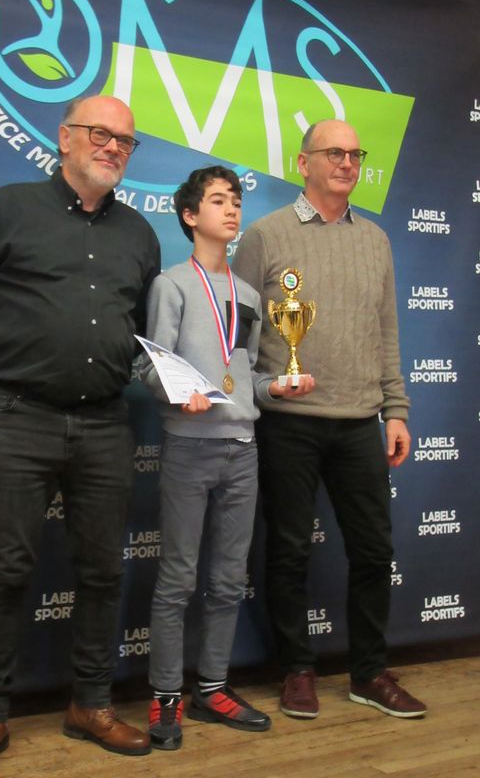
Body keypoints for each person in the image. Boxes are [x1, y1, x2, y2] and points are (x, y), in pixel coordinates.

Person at [0, 95, 161, 776]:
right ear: (65, 138)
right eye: (100, 133)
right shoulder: (7, 207)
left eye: (126, 140)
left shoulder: (140, 234)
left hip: (106, 424)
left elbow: (142, 332)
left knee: (102, 570)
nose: (113, 147)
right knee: (7, 568)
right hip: (22, 416)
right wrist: (13, 369)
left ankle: (91, 704)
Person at [232, 120, 427, 721]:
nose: (347, 162)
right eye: (334, 152)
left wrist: (395, 409)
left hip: (360, 421)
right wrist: (250, 396)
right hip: (286, 421)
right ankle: (296, 669)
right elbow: (236, 335)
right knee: (288, 549)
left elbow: (386, 331)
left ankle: (369, 672)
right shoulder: (265, 236)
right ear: (303, 163)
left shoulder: (376, 240)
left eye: (355, 154)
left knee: (373, 549)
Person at [140, 166, 275, 751]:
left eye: (236, 200)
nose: (232, 209)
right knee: (178, 579)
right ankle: (165, 694)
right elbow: (151, 365)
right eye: (218, 200)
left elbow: (247, 374)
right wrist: (177, 392)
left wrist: (277, 388)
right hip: (190, 449)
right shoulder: (171, 285)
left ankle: (213, 688)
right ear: (191, 216)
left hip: (242, 450)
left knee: (227, 579)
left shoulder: (250, 295)